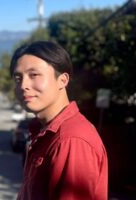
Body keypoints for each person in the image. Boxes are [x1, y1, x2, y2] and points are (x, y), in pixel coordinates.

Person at [10, 41, 108, 200]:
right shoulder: (44, 131)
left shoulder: (70, 140)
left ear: (62, 80)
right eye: (18, 78)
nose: (23, 85)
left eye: (34, 75)